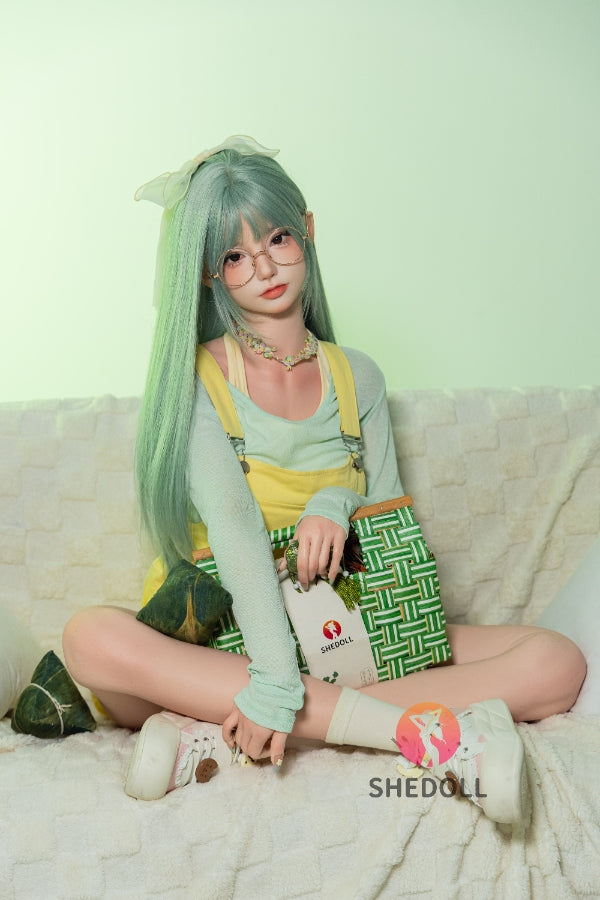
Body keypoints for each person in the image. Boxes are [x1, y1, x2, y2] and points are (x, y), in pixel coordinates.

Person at [62, 136, 586, 824]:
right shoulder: (197, 380)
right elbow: (236, 529)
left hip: (352, 624)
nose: (264, 268)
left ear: (306, 230)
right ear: (207, 275)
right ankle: (437, 741)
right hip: (233, 642)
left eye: (277, 239)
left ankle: (210, 728)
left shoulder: (357, 375)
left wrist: (334, 502)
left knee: (557, 662)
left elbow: (387, 519)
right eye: (234, 257)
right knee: (90, 638)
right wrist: (275, 682)